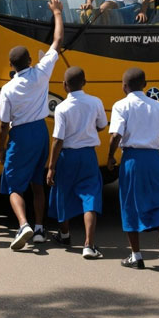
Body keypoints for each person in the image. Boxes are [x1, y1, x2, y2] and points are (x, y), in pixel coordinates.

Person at [0, 0, 65, 251]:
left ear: (12, 66)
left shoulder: (8, 89)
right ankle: (39, 228)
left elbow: (4, 124)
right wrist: (57, 12)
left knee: (14, 184)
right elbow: (57, 41)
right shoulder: (41, 72)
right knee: (38, 183)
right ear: (29, 61)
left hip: (21, 134)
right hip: (41, 131)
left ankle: (23, 224)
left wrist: (0, 147)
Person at [106, 67, 159, 272]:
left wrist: (111, 156)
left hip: (132, 160)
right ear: (145, 85)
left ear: (124, 86)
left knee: (131, 204)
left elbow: (115, 136)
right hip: (154, 159)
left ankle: (136, 256)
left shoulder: (121, 105)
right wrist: (155, 143)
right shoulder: (158, 106)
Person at [46, 66, 108, 258]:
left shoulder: (62, 107)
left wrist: (51, 167)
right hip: (88, 155)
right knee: (90, 196)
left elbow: (58, 139)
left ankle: (64, 234)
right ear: (84, 82)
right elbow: (102, 125)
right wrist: (87, 132)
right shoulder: (95, 102)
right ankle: (89, 245)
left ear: (64, 85)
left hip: (67, 156)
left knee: (63, 193)